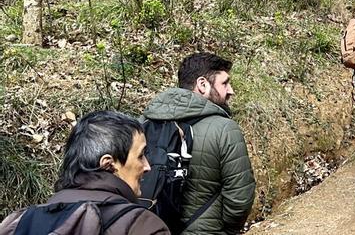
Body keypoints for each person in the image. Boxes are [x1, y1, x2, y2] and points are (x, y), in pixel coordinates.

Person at [0, 110, 170, 235]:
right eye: (140, 155)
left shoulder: (21, 221)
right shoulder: (141, 226)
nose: (147, 166)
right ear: (108, 165)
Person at [142, 53, 255, 235]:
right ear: (203, 85)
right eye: (225, 83)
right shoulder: (225, 129)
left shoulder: (143, 124)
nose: (231, 90)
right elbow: (239, 199)